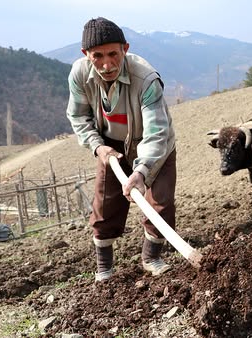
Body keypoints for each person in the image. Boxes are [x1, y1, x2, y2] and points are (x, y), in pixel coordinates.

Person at [66, 17, 177, 281]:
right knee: (105, 203)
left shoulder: (146, 78)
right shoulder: (80, 74)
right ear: (86, 55)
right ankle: (104, 267)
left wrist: (141, 171)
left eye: (113, 54)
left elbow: (156, 131)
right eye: (98, 56)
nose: (107, 64)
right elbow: (79, 116)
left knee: (160, 201)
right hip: (110, 145)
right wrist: (98, 147)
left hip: (151, 143)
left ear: (125, 48)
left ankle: (151, 257)